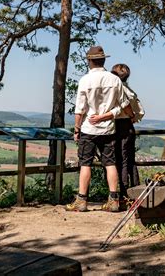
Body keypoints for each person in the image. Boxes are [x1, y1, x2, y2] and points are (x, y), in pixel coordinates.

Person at [65, 46, 133, 212]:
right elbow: (124, 106)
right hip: (108, 130)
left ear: (89, 61)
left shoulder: (85, 81)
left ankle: (81, 201)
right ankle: (114, 200)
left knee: (85, 164)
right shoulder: (114, 80)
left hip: (89, 129)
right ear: (103, 60)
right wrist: (110, 115)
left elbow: (80, 110)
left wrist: (77, 129)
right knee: (110, 163)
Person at [90, 64, 145, 200]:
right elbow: (140, 112)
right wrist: (132, 118)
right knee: (128, 160)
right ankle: (132, 191)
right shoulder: (129, 91)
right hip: (127, 126)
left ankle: (121, 193)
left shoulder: (115, 89)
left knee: (116, 160)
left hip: (115, 125)